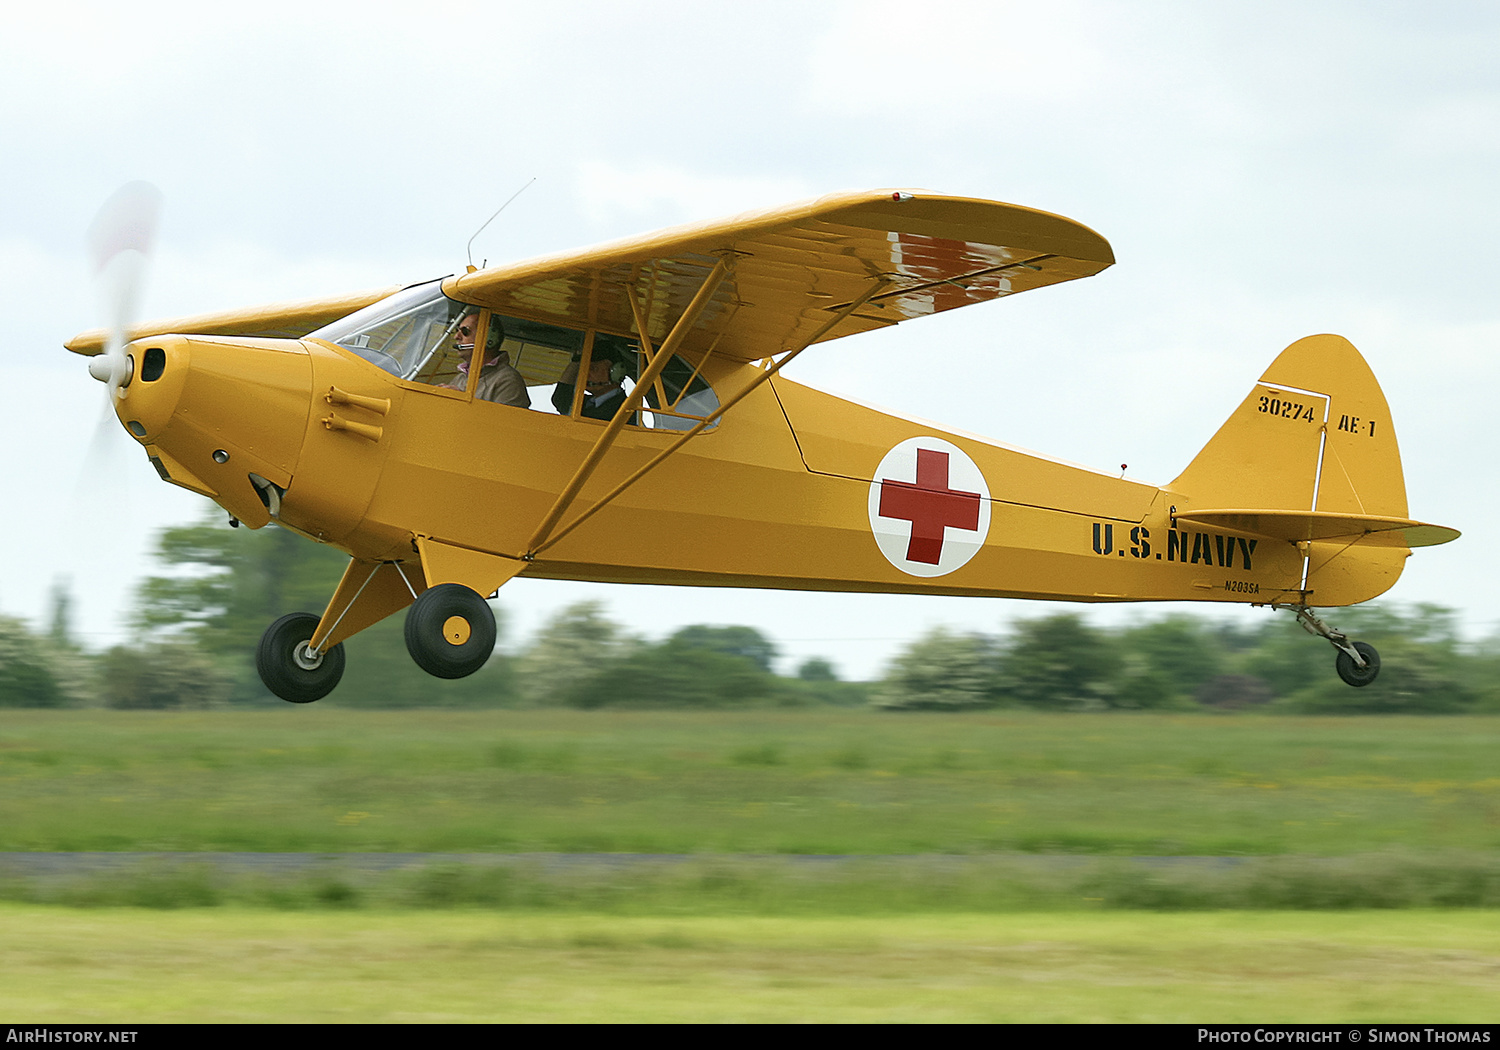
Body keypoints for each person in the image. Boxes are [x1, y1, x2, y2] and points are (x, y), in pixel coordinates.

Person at [451, 312, 530, 408]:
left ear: (489, 338)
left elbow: (505, 421)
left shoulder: (507, 380)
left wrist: (462, 401)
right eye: (457, 330)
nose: (456, 336)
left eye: (465, 331)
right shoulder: (460, 379)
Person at [551, 349, 634, 423]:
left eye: (593, 368)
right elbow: (560, 398)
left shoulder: (623, 410)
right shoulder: (588, 403)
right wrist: (577, 361)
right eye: (584, 369)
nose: (586, 374)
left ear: (616, 373)